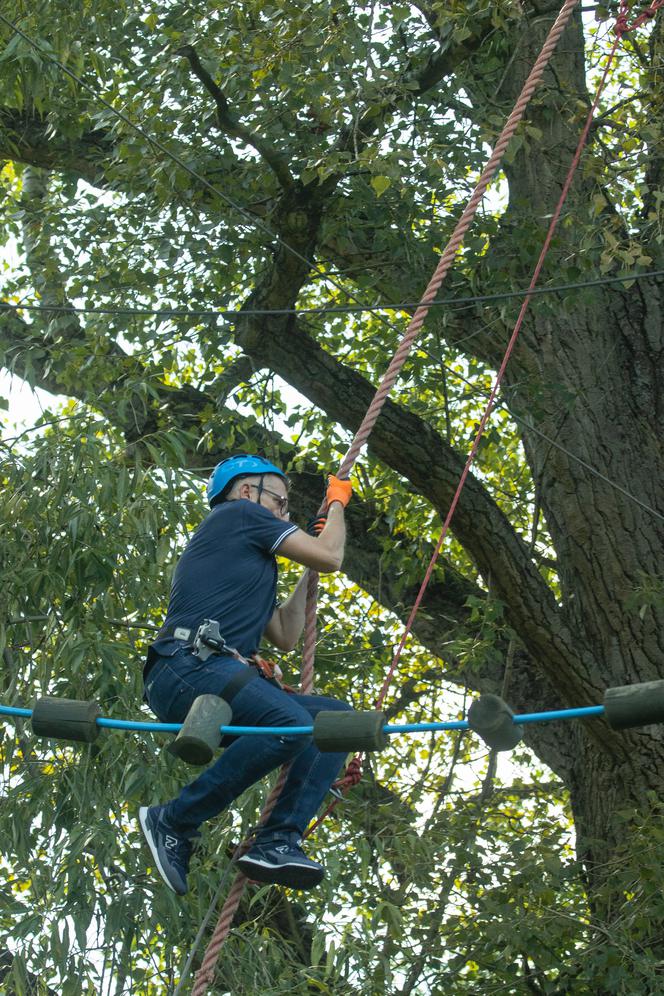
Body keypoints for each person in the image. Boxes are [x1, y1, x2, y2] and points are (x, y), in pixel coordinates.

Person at [139, 453, 353, 895]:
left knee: (335, 723)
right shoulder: (237, 515)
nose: (283, 512)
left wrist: (305, 576)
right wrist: (336, 507)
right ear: (244, 491)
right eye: (279, 501)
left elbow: (286, 634)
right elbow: (331, 555)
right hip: (187, 667)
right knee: (293, 724)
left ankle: (278, 840)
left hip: (212, 674)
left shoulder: (250, 562)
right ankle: (175, 819)